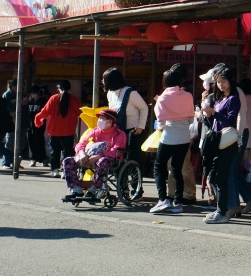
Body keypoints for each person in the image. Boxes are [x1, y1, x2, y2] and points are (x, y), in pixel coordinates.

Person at [150, 67, 195, 214]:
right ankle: (178, 202)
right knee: (177, 169)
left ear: (165, 82)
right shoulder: (188, 96)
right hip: (184, 138)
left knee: (159, 167)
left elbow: (161, 124)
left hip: (169, 138)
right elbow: (190, 120)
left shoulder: (162, 98)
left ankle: (163, 200)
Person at [199, 66, 241, 224]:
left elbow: (230, 121)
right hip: (218, 140)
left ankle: (222, 212)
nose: (221, 85)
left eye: (223, 81)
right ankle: (220, 209)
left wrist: (214, 113)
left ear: (230, 81)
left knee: (220, 177)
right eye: (218, 82)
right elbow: (213, 123)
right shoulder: (220, 98)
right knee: (213, 176)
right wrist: (208, 114)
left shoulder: (233, 99)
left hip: (228, 142)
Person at [102, 68, 149, 198]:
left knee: (135, 159)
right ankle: (122, 188)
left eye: (104, 79)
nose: (102, 81)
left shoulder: (130, 92)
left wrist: (140, 126)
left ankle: (137, 188)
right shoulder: (110, 93)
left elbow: (144, 108)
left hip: (133, 132)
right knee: (118, 159)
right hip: (117, 132)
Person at [63, 109, 127, 197]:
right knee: (67, 161)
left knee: (102, 161)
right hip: (89, 157)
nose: (99, 121)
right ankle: (76, 189)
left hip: (110, 159)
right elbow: (82, 143)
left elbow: (115, 150)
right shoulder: (95, 131)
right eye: (99, 118)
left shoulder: (119, 134)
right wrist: (81, 153)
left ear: (110, 121)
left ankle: (94, 189)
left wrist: (99, 156)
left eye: (102, 119)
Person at [34, 80, 83, 177]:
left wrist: (38, 120)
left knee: (54, 151)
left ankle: (55, 170)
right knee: (68, 152)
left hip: (54, 130)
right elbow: (81, 113)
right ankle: (66, 171)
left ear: (59, 88)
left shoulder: (53, 98)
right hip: (69, 130)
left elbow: (45, 112)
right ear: (69, 88)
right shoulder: (74, 99)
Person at [24, 86, 47, 167]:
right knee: (31, 142)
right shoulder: (30, 101)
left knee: (39, 141)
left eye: (34, 93)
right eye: (31, 94)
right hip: (30, 124)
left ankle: (43, 158)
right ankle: (33, 158)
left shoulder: (43, 101)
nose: (33, 95)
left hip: (39, 124)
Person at [0, 79, 18, 169]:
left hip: (17, 121)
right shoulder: (7, 95)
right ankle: (6, 162)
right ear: (13, 86)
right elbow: (6, 108)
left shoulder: (20, 94)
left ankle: (13, 162)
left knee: (17, 142)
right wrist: (18, 103)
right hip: (9, 121)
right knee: (9, 141)